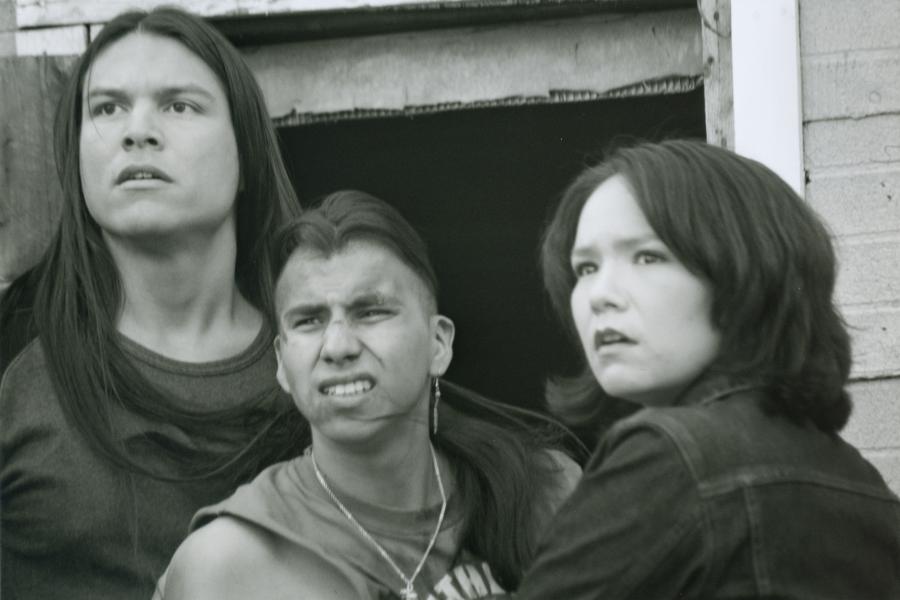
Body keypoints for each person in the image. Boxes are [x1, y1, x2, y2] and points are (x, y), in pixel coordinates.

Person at [0, 8, 309, 600]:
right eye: (107, 108)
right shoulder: (13, 360)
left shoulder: (324, 349)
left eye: (179, 105)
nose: (136, 131)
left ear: (246, 151)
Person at [515, 139, 900, 599]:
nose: (600, 294)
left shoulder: (670, 455)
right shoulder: (859, 477)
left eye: (648, 257)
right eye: (585, 268)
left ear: (747, 272)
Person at [156, 190, 582, 600]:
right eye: (309, 320)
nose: (338, 346)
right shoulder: (227, 563)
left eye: (371, 312)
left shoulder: (545, 495)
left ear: (438, 344)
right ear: (282, 365)